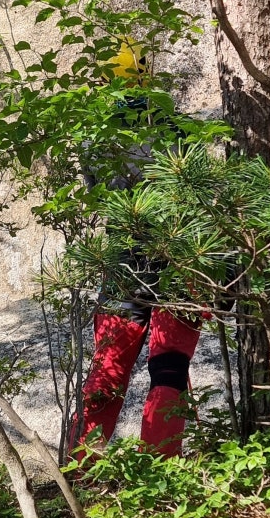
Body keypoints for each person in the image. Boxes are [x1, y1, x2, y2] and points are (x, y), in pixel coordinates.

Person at [68, 44, 201, 461]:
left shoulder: (94, 132)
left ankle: (82, 470)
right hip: (181, 257)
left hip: (126, 261)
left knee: (107, 373)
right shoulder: (177, 125)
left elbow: (99, 195)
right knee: (170, 372)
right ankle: (163, 471)